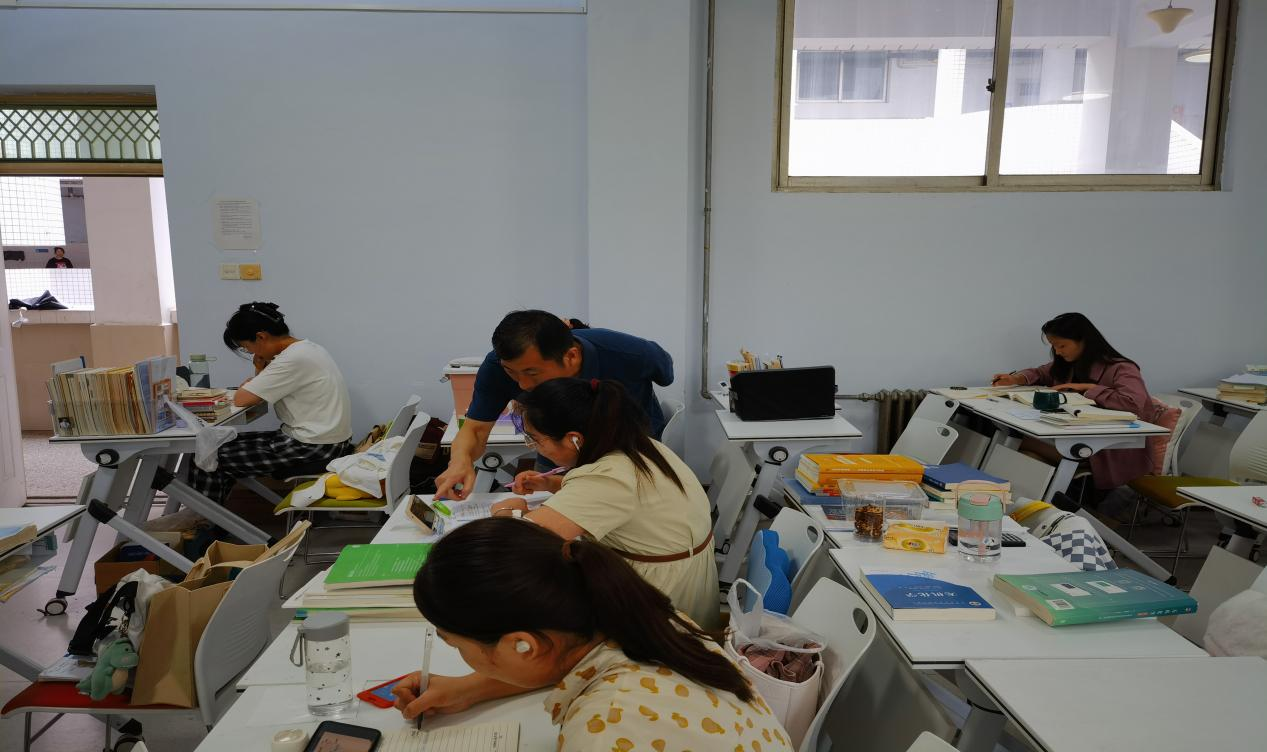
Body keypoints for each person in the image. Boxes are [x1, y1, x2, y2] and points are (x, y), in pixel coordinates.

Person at [392, 518, 792, 752]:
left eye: (454, 643)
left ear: (521, 644)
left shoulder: (607, 727)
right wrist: (470, 688)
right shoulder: (646, 620)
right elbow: (559, 662)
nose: (459, 655)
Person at [489, 378, 720, 630]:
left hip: (660, 600)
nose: (534, 448)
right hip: (686, 579)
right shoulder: (640, 445)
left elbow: (516, 545)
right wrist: (550, 483)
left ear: (574, 439)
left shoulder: (607, 477)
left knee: (528, 603)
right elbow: (621, 498)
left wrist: (506, 509)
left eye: (535, 440)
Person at [435, 310, 673, 500]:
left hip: (630, 449)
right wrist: (460, 461)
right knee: (546, 505)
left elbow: (666, 374)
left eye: (532, 373)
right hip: (557, 452)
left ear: (571, 356)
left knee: (627, 511)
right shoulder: (497, 368)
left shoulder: (627, 353)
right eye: (511, 372)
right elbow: (476, 430)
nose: (523, 385)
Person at [187, 302, 353, 503]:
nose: (252, 354)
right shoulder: (308, 349)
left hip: (312, 445)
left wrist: (258, 370)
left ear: (261, 337)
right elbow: (252, 391)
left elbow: (242, 398)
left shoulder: (291, 359)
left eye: (247, 348)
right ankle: (213, 514)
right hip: (325, 440)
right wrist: (258, 371)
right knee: (216, 445)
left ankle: (201, 518)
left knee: (206, 455)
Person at [991, 312, 1153, 490]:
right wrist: (1016, 379)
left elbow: (1133, 403)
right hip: (1067, 435)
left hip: (1105, 450)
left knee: (1008, 438)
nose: (1058, 352)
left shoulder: (1122, 368)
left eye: (1062, 345)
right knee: (1022, 454)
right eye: (1054, 346)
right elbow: (1040, 373)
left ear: (1084, 340)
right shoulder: (1069, 363)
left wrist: (1088, 388)